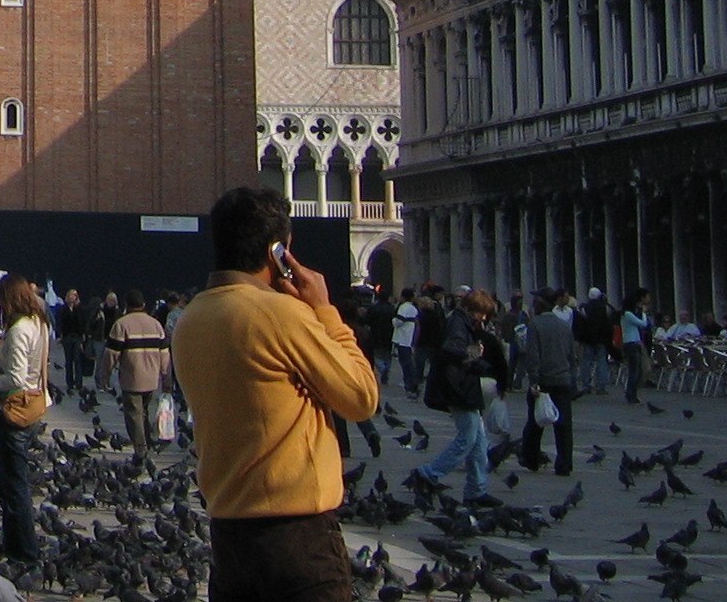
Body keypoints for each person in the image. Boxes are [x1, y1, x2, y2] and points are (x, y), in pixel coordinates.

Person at [171, 187, 379, 602]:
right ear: (277, 252)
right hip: (296, 539)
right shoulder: (281, 315)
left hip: (229, 539)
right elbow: (360, 397)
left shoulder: (190, 319)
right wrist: (324, 310)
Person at [0, 274, 51, 567]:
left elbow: (17, 378)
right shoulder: (39, 323)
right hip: (34, 404)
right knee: (13, 482)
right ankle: (16, 544)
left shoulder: (20, 329)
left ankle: (24, 551)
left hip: (16, 409)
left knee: (14, 484)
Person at [415, 289, 498, 501]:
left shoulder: (463, 322)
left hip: (464, 386)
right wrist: (474, 358)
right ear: (472, 309)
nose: (484, 317)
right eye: (482, 313)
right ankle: (429, 473)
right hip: (458, 387)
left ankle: (477, 490)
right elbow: (451, 350)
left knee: (479, 442)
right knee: (468, 438)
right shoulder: (458, 323)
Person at [106, 290, 172, 464]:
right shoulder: (156, 325)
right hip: (152, 378)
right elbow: (165, 354)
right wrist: (166, 376)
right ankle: (148, 441)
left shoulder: (121, 325)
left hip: (131, 378)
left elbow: (111, 354)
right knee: (145, 411)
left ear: (127, 305)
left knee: (133, 414)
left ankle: (140, 450)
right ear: (144, 305)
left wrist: (104, 376)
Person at [517, 288, 577, 474]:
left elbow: (533, 354)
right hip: (562, 379)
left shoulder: (535, 324)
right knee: (564, 424)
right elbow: (571, 355)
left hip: (543, 380)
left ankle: (531, 458)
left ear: (541, 304)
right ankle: (565, 463)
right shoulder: (563, 325)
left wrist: (533, 379)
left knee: (536, 421)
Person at [617, 289, 653, 402]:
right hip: (631, 343)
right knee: (634, 371)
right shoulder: (627, 314)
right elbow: (643, 324)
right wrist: (644, 313)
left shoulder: (626, 315)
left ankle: (632, 393)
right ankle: (631, 394)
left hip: (633, 342)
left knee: (636, 370)